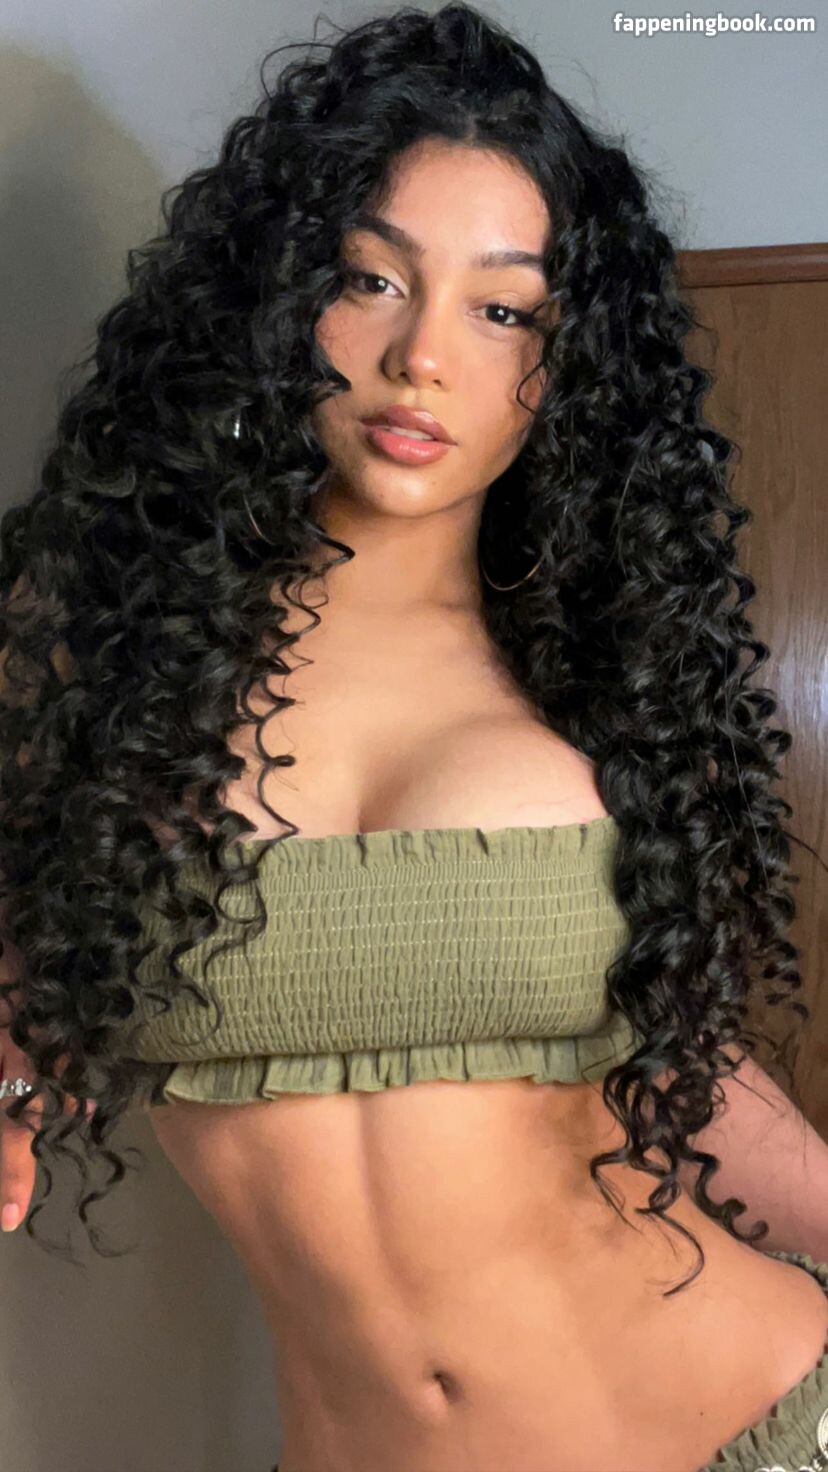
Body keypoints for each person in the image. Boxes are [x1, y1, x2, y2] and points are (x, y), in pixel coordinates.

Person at [1, 6, 827, 1470]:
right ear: (279, 300)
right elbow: (35, 982)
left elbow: (682, 1078)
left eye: (503, 310)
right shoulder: (113, 693)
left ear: (560, 368)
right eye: (372, 278)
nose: (423, 356)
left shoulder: (599, 680)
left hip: (759, 1425)